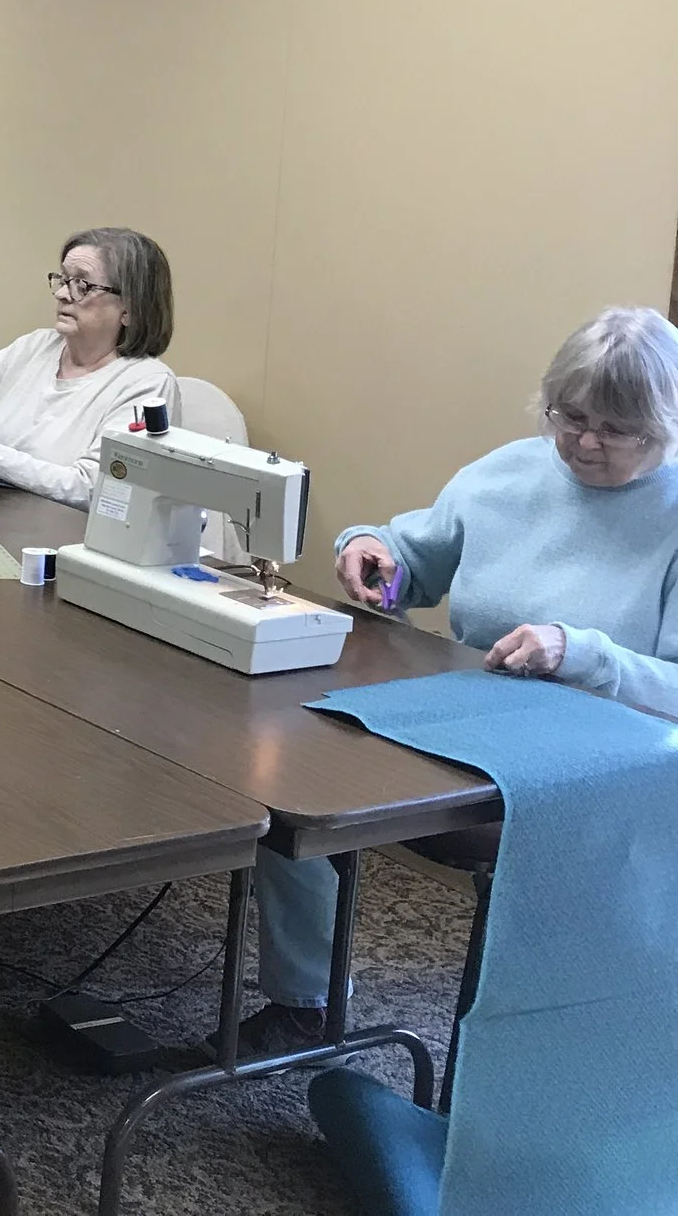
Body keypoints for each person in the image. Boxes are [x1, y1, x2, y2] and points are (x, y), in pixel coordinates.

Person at [234, 306, 678, 1059]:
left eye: (616, 427)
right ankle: (304, 1000)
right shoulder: (509, 471)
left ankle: (505, 1063)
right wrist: (372, 550)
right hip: (469, 718)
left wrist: (582, 649)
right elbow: (415, 558)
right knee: (287, 764)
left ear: (664, 425)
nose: (584, 441)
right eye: (569, 415)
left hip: (599, 760)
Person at [0, 227, 180, 506]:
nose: (62, 294)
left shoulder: (148, 384)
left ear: (129, 309)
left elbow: (92, 489)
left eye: (82, 285)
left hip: (59, 537)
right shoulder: (35, 346)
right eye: (63, 279)